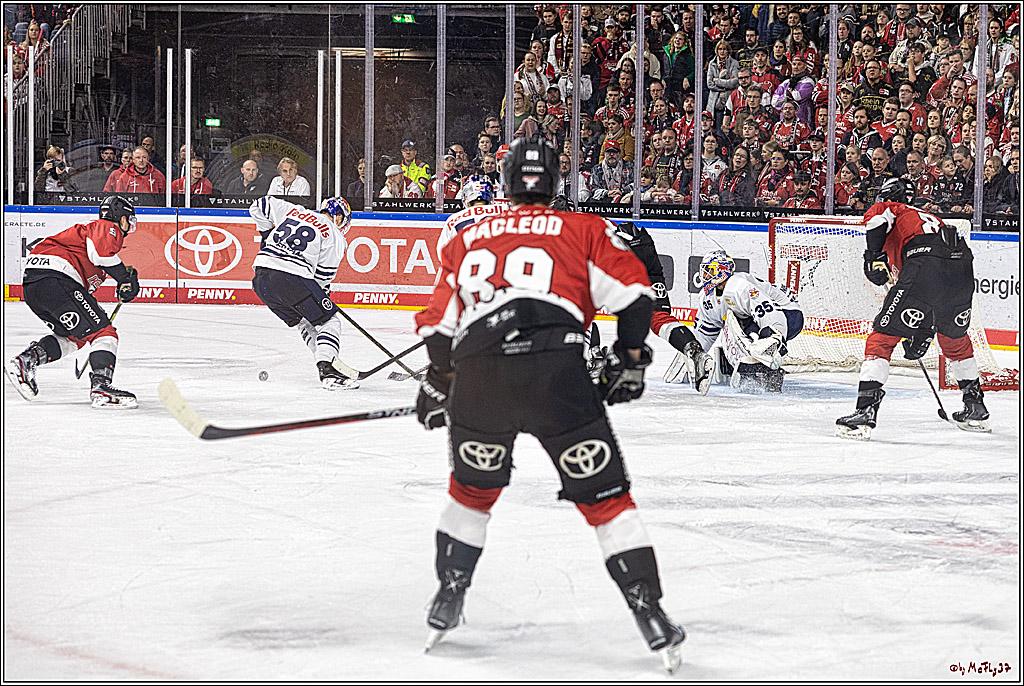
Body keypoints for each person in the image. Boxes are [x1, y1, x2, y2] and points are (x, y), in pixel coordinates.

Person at [413, 135, 685, 670]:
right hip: (558, 375)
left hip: (482, 377)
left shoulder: (467, 236)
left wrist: (440, 383)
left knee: (471, 494)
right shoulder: (583, 228)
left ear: (507, 180)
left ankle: (448, 596)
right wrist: (630, 360)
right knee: (607, 502)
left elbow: (438, 328)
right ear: (556, 182)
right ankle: (650, 613)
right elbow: (636, 296)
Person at [835, 179, 990, 439]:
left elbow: (876, 222)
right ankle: (975, 406)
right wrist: (924, 331)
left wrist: (872, 256)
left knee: (882, 337)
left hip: (925, 262)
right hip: (962, 265)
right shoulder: (929, 217)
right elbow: (930, 293)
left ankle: (865, 411)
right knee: (954, 339)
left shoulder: (890, 208)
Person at [5, 196, 140, 408]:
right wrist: (124, 277)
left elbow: (85, 285)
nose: (128, 226)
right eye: (129, 220)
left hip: (35, 287)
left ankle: (27, 361)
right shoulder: (106, 227)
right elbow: (102, 256)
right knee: (104, 333)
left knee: (75, 337)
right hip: (56, 278)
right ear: (121, 217)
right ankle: (101, 388)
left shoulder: (87, 241)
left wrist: (122, 285)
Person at [249, 195, 357, 390]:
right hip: (291, 278)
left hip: (261, 279)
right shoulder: (335, 235)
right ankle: (328, 369)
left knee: (305, 323)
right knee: (329, 321)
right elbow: (322, 278)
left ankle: (327, 360)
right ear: (339, 218)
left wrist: (267, 236)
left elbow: (259, 205)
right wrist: (322, 297)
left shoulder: (296, 210)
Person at [683, 249, 804, 393]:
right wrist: (695, 355)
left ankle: (771, 373)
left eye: (710, 270)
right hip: (757, 316)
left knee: (759, 339)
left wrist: (774, 338)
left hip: (788, 313)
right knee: (737, 328)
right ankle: (753, 369)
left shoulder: (738, 286)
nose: (705, 276)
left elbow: (769, 313)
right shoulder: (707, 297)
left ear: (722, 270)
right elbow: (706, 331)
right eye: (705, 271)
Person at [436, 175, 502, 259]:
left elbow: (443, 253)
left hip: (467, 268)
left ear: (466, 199)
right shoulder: (504, 211)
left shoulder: (453, 220)